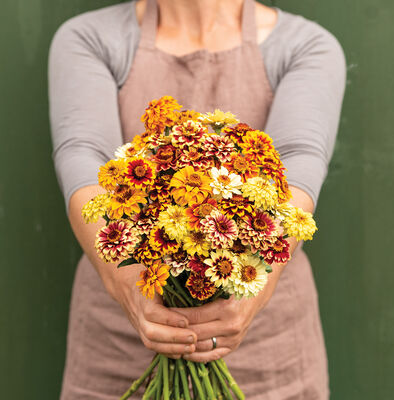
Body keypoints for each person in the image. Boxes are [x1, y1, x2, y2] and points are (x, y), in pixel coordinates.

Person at [48, 0, 346, 398]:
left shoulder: (306, 45)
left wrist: (251, 288)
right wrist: (130, 287)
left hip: (267, 357)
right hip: (118, 344)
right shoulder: (89, 37)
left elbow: (300, 164)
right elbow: (82, 158)